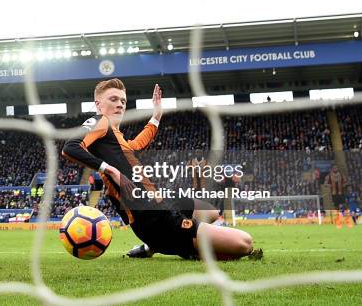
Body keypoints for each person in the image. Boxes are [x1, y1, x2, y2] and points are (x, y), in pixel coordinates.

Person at [62, 78, 259, 260]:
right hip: (155, 219)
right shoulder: (100, 121)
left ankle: (161, 245)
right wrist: (110, 170)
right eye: (113, 99)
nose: (120, 104)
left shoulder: (115, 137)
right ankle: (183, 243)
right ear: (98, 104)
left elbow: (137, 144)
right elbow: (70, 147)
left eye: (122, 100)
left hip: (160, 203)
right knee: (245, 243)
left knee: (211, 212)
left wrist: (156, 116)